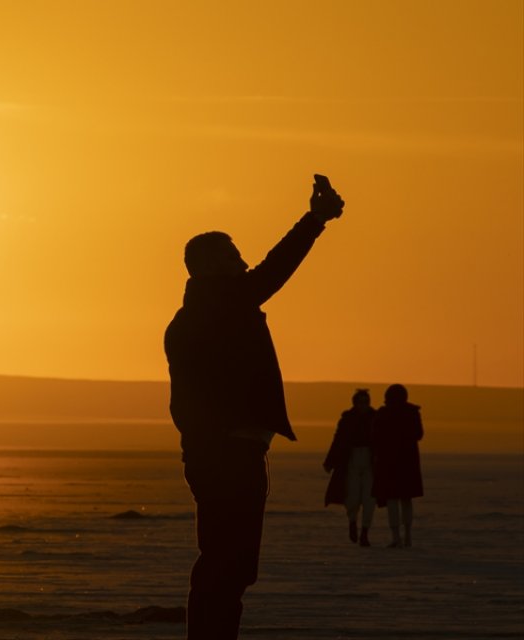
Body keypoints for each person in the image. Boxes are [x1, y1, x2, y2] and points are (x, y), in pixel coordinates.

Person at [164, 175, 344, 639]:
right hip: (228, 455)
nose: (242, 264)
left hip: (225, 452)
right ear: (208, 267)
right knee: (228, 563)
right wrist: (314, 220)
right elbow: (271, 271)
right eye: (232, 257)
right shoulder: (218, 306)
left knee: (229, 563)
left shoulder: (201, 313)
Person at [371, 383, 424, 548]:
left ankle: (396, 537)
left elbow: (375, 437)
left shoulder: (383, 413)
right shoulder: (412, 412)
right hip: (408, 462)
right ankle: (407, 536)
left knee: (392, 500)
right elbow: (419, 434)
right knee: (406, 500)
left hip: (388, 462)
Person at [323, 388, 377, 546]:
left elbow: (384, 441)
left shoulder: (375, 418)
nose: (364, 405)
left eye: (366, 402)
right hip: (351, 460)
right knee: (352, 497)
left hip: (370, 462)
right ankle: (352, 522)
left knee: (369, 499)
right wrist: (330, 461)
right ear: (355, 403)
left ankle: (365, 532)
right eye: (361, 402)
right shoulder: (347, 419)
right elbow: (338, 439)